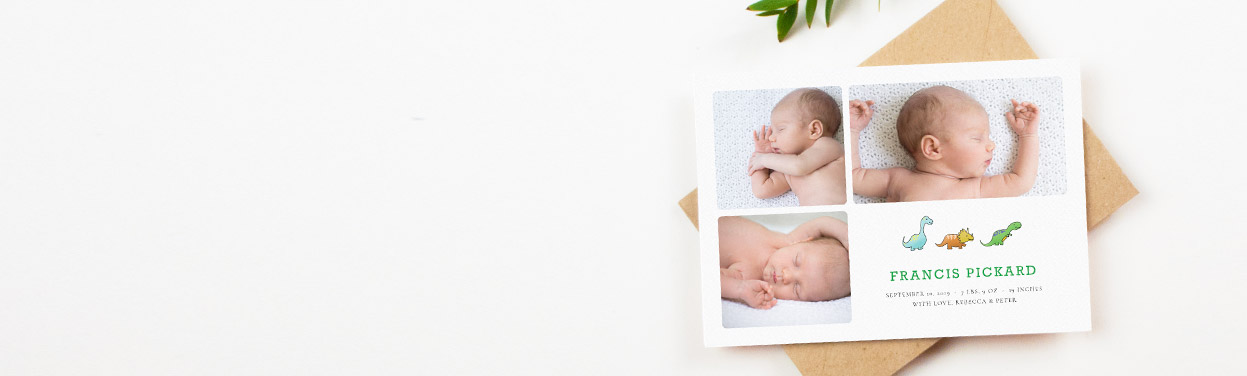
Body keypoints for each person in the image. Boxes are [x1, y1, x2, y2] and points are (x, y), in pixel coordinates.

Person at [849, 85, 1040, 202]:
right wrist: (852, 130)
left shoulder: (976, 188)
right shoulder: (897, 180)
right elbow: (852, 178)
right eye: (977, 138)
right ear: (933, 148)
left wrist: (1028, 135)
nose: (992, 146)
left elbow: (1021, 181)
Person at [719, 216, 850, 309]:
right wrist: (847, 235)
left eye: (797, 288)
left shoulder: (747, 278)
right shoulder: (788, 241)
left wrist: (739, 289)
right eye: (796, 262)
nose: (787, 276)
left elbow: (714, 280)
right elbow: (821, 223)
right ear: (803, 241)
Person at [748, 88, 847, 205]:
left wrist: (765, 159)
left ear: (814, 130)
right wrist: (761, 158)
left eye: (780, 129)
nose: (771, 138)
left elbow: (800, 165)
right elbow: (762, 190)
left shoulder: (828, 145)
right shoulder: (788, 168)